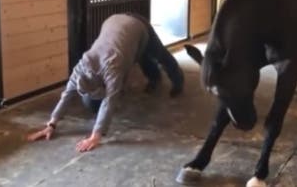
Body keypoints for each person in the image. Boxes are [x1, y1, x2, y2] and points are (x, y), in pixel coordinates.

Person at [27, 13, 184, 152]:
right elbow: (67, 94)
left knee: (158, 54)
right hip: (113, 25)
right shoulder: (80, 69)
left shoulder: (112, 68)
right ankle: (154, 77)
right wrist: (51, 124)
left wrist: (96, 135)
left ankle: (178, 80)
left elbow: (110, 100)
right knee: (134, 54)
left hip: (137, 25)